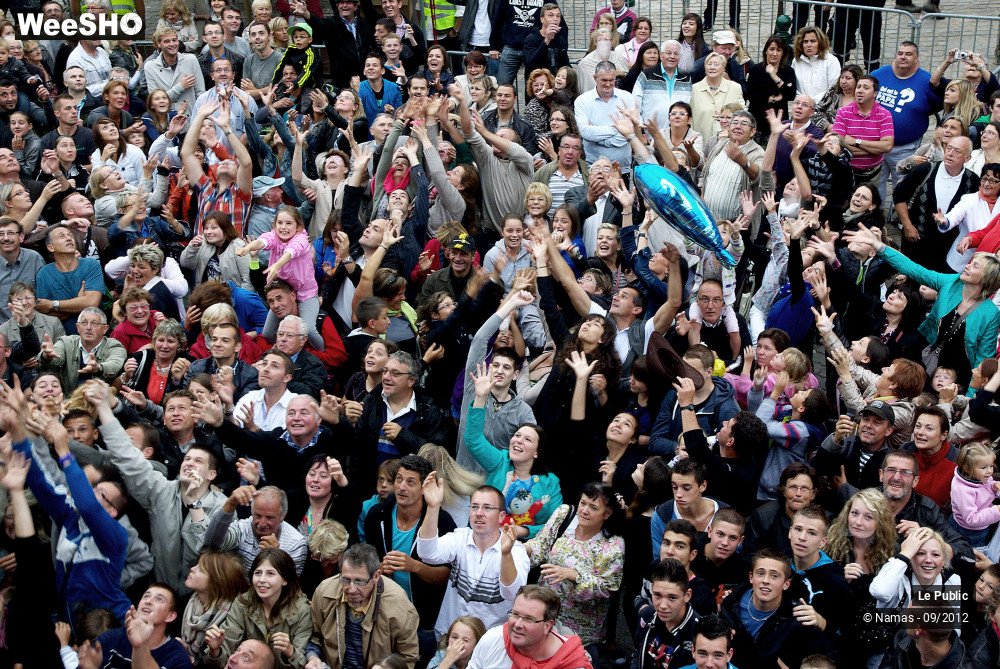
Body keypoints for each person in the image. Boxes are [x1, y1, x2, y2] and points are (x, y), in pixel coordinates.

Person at [86, 380, 227, 595]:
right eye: (187, 459)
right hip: (161, 590)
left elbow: (208, 548)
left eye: (198, 462)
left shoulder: (222, 506)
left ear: (211, 474)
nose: (189, 463)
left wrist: (194, 504)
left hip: (204, 599)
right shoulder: (163, 490)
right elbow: (127, 455)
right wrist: (104, 407)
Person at [843, 224, 1000, 372]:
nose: (967, 266)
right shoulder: (951, 282)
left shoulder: (991, 313)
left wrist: (972, 394)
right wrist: (878, 245)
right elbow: (914, 269)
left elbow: (983, 359)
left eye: (975, 266)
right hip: (922, 358)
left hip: (957, 373)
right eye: (971, 263)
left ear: (987, 278)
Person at [364, 454, 455, 662]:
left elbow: (446, 577)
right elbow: (368, 565)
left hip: (425, 619)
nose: (401, 487)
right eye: (399, 479)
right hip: (385, 614)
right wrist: (379, 568)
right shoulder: (376, 515)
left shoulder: (442, 521)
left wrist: (416, 566)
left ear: (424, 488)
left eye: (410, 482)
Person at [525, 483, 624, 661]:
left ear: (607, 514)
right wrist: (522, 550)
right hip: (544, 614)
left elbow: (608, 589)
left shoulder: (613, 546)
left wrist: (574, 575)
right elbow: (541, 544)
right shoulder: (564, 515)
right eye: (583, 503)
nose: (584, 510)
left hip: (581, 631)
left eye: (593, 507)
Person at [305, 543, 420, 669]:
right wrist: (313, 657)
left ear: (376, 576)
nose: (352, 589)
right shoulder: (324, 591)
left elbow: (407, 659)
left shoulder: (399, 606)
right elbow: (314, 638)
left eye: (360, 581)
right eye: (346, 580)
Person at [204, 548, 313, 667]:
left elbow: (304, 664)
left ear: (285, 580)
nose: (261, 580)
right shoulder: (242, 603)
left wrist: (290, 652)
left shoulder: (302, 610)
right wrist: (215, 650)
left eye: (270, 574)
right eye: (258, 573)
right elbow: (223, 659)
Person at [871, 42, 943, 197]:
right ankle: (873, 217)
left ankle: (899, 218)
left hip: (905, 148)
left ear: (917, 58)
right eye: (900, 53)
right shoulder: (878, 74)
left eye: (908, 54)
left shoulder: (926, 81)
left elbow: (937, 105)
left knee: (904, 187)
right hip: (875, 144)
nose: (903, 57)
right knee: (875, 186)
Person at [465, 585, 593, 669]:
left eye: (529, 619)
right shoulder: (493, 639)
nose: (518, 624)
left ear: (547, 626)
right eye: (515, 614)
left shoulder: (573, 664)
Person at [204, 485, 309, 575]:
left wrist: (276, 557)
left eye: (269, 517)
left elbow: (291, 587)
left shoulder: (296, 543)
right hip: (239, 593)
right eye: (258, 515)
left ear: (282, 516)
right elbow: (212, 544)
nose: (262, 524)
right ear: (251, 512)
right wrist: (230, 504)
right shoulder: (243, 528)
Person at [34, 224, 104, 335]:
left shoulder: (91, 265)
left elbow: (92, 302)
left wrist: (54, 304)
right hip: (62, 337)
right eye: (62, 236)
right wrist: (80, 302)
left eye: (70, 235)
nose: (68, 238)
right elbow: (44, 312)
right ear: (51, 247)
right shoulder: (44, 273)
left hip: (93, 333)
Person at [179, 551, 247, 665]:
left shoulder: (232, 617)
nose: (192, 569)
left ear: (216, 581)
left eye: (200, 569)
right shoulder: (184, 602)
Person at [633, 558, 700, 669]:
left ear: (687, 595)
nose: (663, 605)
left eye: (672, 597)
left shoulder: (699, 633)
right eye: (657, 595)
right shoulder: (646, 615)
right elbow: (638, 652)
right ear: (651, 590)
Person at [832, 74, 895, 185]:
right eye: (858, 87)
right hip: (846, 170)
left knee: (870, 201)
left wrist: (856, 141)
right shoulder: (843, 112)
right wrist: (875, 149)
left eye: (866, 88)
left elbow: (888, 146)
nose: (860, 90)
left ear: (875, 93)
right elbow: (838, 143)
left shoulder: (884, 114)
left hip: (873, 173)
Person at [575, 61, 635, 170]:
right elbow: (585, 132)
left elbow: (630, 132)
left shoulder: (627, 97)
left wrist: (598, 137)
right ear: (595, 78)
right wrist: (618, 129)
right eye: (604, 80)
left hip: (623, 167)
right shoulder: (582, 101)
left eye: (611, 80)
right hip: (594, 167)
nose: (608, 84)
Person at [791, 27, 840, 99]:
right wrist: (803, 101)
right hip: (802, 105)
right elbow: (793, 86)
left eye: (813, 41)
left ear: (820, 43)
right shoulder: (796, 61)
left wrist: (814, 101)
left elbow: (834, 88)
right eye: (805, 41)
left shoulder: (831, 61)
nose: (809, 45)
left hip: (824, 106)